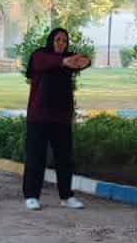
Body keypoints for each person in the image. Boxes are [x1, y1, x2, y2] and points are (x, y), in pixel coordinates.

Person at [23, 28, 92, 210]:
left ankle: (66, 196)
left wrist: (84, 61)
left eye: (64, 41)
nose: (61, 43)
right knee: (36, 157)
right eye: (58, 40)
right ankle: (31, 196)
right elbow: (45, 62)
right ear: (51, 41)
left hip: (61, 117)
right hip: (39, 116)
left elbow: (85, 61)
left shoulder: (69, 58)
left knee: (65, 159)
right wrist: (64, 61)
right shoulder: (40, 55)